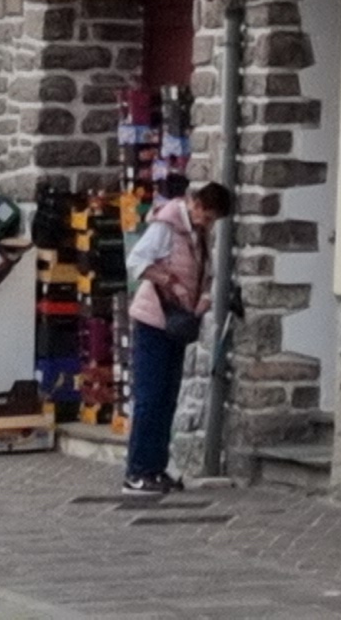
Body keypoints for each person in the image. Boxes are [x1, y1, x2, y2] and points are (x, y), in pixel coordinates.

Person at [119, 178, 233, 494]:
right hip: (154, 319)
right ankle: (137, 472)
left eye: (212, 220)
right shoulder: (166, 225)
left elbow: (205, 274)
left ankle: (156, 468)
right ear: (196, 204)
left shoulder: (198, 233)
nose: (207, 223)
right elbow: (136, 261)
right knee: (150, 397)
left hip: (177, 322)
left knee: (168, 397)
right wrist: (169, 281)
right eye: (206, 216)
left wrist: (203, 301)